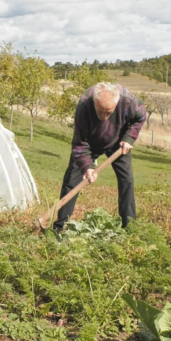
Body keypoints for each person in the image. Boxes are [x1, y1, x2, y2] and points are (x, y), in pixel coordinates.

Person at [53, 82, 146, 232]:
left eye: (108, 112)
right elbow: (79, 143)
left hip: (119, 142)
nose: (103, 117)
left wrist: (129, 138)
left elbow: (140, 117)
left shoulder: (127, 101)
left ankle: (129, 228)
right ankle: (60, 227)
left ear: (116, 103)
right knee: (71, 180)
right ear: (94, 102)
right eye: (100, 111)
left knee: (126, 181)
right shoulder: (84, 105)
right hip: (89, 144)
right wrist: (87, 167)